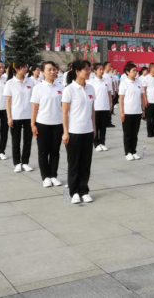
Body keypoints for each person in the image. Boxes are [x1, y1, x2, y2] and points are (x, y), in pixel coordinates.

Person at [62, 60, 96, 204]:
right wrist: (65, 132)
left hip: (88, 131)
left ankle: (84, 190)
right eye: (86, 69)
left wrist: (94, 127)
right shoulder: (69, 90)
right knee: (74, 163)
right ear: (77, 72)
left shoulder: (91, 88)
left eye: (89, 69)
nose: (88, 72)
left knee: (86, 163)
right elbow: (64, 113)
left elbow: (92, 110)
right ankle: (74, 191)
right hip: (74, 131)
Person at [31, 61, 64, 187]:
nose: (52, 72)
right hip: (42, 123)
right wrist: (33, 124)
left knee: (55, 151)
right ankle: (45, 177)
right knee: (43, 151)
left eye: (54, 69)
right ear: (42, 72)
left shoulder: (61, 87)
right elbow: (34, 108)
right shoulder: (38, 88)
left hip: (58, 124)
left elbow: (64, 107)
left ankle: (53, 175)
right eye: (49, 69)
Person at [5, 61, 35, 172]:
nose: (25, 69)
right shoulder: (10, 83)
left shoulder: (30, 81)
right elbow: (8, 102)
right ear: (17, 69)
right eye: (23, 67)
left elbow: (34, 99)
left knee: (28, 141)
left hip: (29, 116)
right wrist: (9, 117)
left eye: (25, 67)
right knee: (16, 141)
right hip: (16, 116)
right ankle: (17, 163)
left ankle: (25, 162)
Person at [119, 62, 146, 161]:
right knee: (128, 134)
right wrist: (121, 112)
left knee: (135, 133)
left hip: (137, 111)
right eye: (133, 71)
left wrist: (143, 109)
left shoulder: (139, 82)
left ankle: (133, 151)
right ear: (127, 72)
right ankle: (128, 152)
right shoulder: (124, 83)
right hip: (128, 112)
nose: (135, 72)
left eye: (136, 70)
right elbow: (121, 99)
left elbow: (142, 96)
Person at [89, 63, 113, 151]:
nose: (102, 71)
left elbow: (109, 93)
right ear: (95, 71)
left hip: (105, 106)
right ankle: (96, 143)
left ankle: (102, 143)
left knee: (103, 127)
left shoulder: (106, 81)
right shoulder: (91, 82)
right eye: (99, 69)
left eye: (102, 69)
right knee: (96, 126)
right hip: (96, 107)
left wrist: (110, 104)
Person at [142, 63, 154, 138]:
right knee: (149, 117)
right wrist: (145, 100)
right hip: (149, 101)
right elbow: (144, 90)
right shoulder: (146, 78)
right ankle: (149, 132)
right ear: (151, 68)